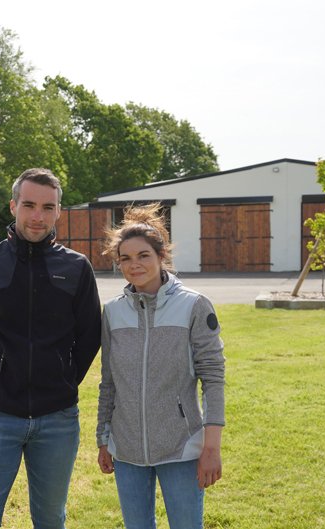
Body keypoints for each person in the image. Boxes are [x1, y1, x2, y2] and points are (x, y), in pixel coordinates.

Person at [0, 167, 102, 528]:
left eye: (48, 207)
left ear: (58, 212)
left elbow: (89, 336)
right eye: (29, 205)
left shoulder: (77, 267)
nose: (38, 216)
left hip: (58, 420)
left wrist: (62, 380)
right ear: (13, 206)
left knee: (51, 519)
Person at [95, 204, 225, 529]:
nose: (134, 265)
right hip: (126, 450)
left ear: (161, 255)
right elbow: (108, 381)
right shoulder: (112, 312)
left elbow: (213, 378)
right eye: (125, 258)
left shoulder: (194, 305)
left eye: (143, 255)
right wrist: (103, 438)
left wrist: (211, 447)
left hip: (181, 448)